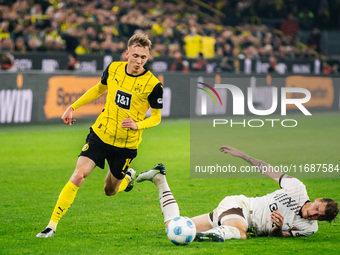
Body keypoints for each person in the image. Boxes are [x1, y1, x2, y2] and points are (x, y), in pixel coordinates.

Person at [36, 33, 163, 238]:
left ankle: (128, 177)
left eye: (144, 58)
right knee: (78, 175)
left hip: (126, 144)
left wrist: (138, 124)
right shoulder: (113, 69)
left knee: (110, 190)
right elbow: (98, 89)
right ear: (127, 53)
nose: (139, 61)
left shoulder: (153, 84)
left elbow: (156, 117)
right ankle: (51, 225)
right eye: (136, 55)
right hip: (100, 134)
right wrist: (72, 107)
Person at [136, 145, 338, 242]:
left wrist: (276, 228)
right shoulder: (297, 189)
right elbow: (268, 170)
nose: (314, 214)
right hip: (241, 206)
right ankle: (208, 237)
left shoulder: (310, 229)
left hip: (234, 218)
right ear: (317, 200)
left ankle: (159, 180)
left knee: (174, 228)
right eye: (317, 209)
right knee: (241, 234)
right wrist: (243, 156)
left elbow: (280, 236)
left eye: (319, 216)